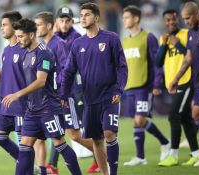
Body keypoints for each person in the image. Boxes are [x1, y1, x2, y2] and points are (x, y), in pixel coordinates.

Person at [2, 18, 82, 175]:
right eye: (16, 36)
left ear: (32, 35)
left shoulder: (44, 53)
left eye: (21, 36)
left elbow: (40, 81)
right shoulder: (25, 55)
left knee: (60, 144)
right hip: (32, 110)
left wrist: (17, 94)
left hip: (48, 109)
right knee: (24, 146)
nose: (18, 40)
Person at [60, 2, 128, 175]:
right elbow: (68, 71)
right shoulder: (77, 44)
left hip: (109, 96)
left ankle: (113, 173)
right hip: (90, 98)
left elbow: (122, 67)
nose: (83, 18)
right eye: (81, 15)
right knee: (97, 140)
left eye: (87, 14)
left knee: (109, 133)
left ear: (96, 17)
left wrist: (119, 89)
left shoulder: (111, 38)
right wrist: (63, 95)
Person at [34, 10, 99, 174]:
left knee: (74, 135)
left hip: (66, 96)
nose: (36, 28)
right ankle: (51, 167)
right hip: (54, 98)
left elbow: (67, 70)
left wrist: (61, 93)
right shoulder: (47, 45)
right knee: (58, 134)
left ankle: (101, 156)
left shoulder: (59, 44)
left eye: (39, 25)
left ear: (49, 26)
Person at [121, 5, 170, 166]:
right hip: (130, 87)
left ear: (136, 18)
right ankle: (147, 153)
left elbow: (157, 63)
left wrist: (157, 83)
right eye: (123, 17)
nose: (124, 20)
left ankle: (157, 147)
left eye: (127, 17)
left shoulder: (148, 37)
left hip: (144, 86)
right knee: (137, 121)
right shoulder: (125, 41)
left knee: (139, 119)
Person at [155, 9, 199, 167]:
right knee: (186, 119)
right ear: (164, 22)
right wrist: (165, 45)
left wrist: (178, 44)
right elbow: (158, 62)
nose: (171, 22)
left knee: (173, 115)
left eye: (174, 19)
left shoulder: (186, 34)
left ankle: (173, 154)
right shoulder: (164, 38)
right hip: (173, 84)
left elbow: (193, 57)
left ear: (178, 20)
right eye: (168, 20)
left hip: (186, 81)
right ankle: (195, 154)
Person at [169, 2, 199, 167]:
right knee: (197, 113)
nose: (186, 21)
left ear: (196, 13)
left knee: (197, 112)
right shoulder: (192, 33)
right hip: (197, 81)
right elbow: (189, 58)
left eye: (188, 18)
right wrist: (176, 79)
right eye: (184, 18)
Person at [0, 11, 33, 174]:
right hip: (5, 103)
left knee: (25, 144)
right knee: (0, 137)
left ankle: (28, 170)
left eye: (4, 25)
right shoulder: (6, 50)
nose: (1, 28)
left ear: (15, 25)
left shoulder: (24, 48)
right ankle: (31, 167)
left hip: (21, 104)